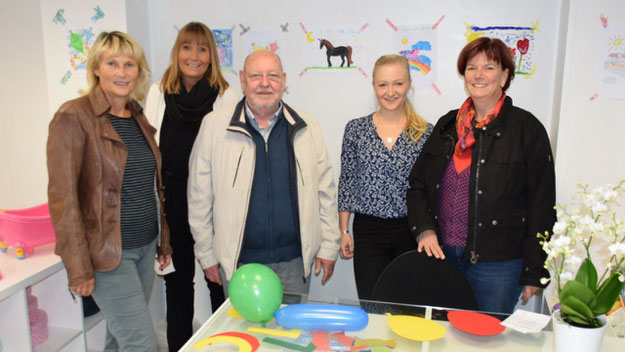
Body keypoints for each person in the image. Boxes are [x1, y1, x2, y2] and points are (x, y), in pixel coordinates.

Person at [406, 37, 555, 313]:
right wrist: (424, 231)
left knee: (486, 339)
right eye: (472, 68)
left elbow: (542, 203)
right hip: (443, 258)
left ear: (505, 75)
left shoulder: (527, 129)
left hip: (498, 266)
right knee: (445, 338)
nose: (479, 75)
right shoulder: (448, 125)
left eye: (488, 67)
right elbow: (417, 185)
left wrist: (535, 268)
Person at [47, 31, 172, 351]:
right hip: (107, 255)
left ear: (139, 71)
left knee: (119, 337)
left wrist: (163, 239)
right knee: (141, 342)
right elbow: (64, 199)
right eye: (112, 63)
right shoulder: (73, 116)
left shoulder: (137, 116)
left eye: (129, 64)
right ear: (96, 68)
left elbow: (152, 186)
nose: (122, 71)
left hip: (144, 247)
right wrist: (78, 268)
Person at [187, 50, 340, 295]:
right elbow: (199, 197)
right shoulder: (214, 126)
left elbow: (326, 193)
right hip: (239, 263)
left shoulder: (307, 127)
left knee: (289, 333)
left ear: (284, 79)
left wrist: (329, 246)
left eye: (273, 75)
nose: (265, 83)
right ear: (243, 79)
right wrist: (206, 254)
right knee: (244, 333)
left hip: (294, 262)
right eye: (256, 75)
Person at [144, 21, 238, 352]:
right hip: (171, 203)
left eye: (201, 48)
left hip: (212, 204)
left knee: (218, 283)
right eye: (187, 47)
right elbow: (148, 148)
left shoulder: (226, 96)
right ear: (177, 52)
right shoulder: (158, 93)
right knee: (178, 285)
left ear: (211, 55)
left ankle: (226, 346)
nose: (194, 55)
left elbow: (231, 156)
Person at [338, 54, 433, 300]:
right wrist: (343, 230)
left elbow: (430, 190)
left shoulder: (425, 133)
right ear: (374, 86)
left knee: (407, 307)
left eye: (398, 84)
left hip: (410, 231)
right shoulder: (355, 130)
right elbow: (347, 181)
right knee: (373, 304)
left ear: (409, 84)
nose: (390, 92)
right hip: (368, 232)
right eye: (383, 85)